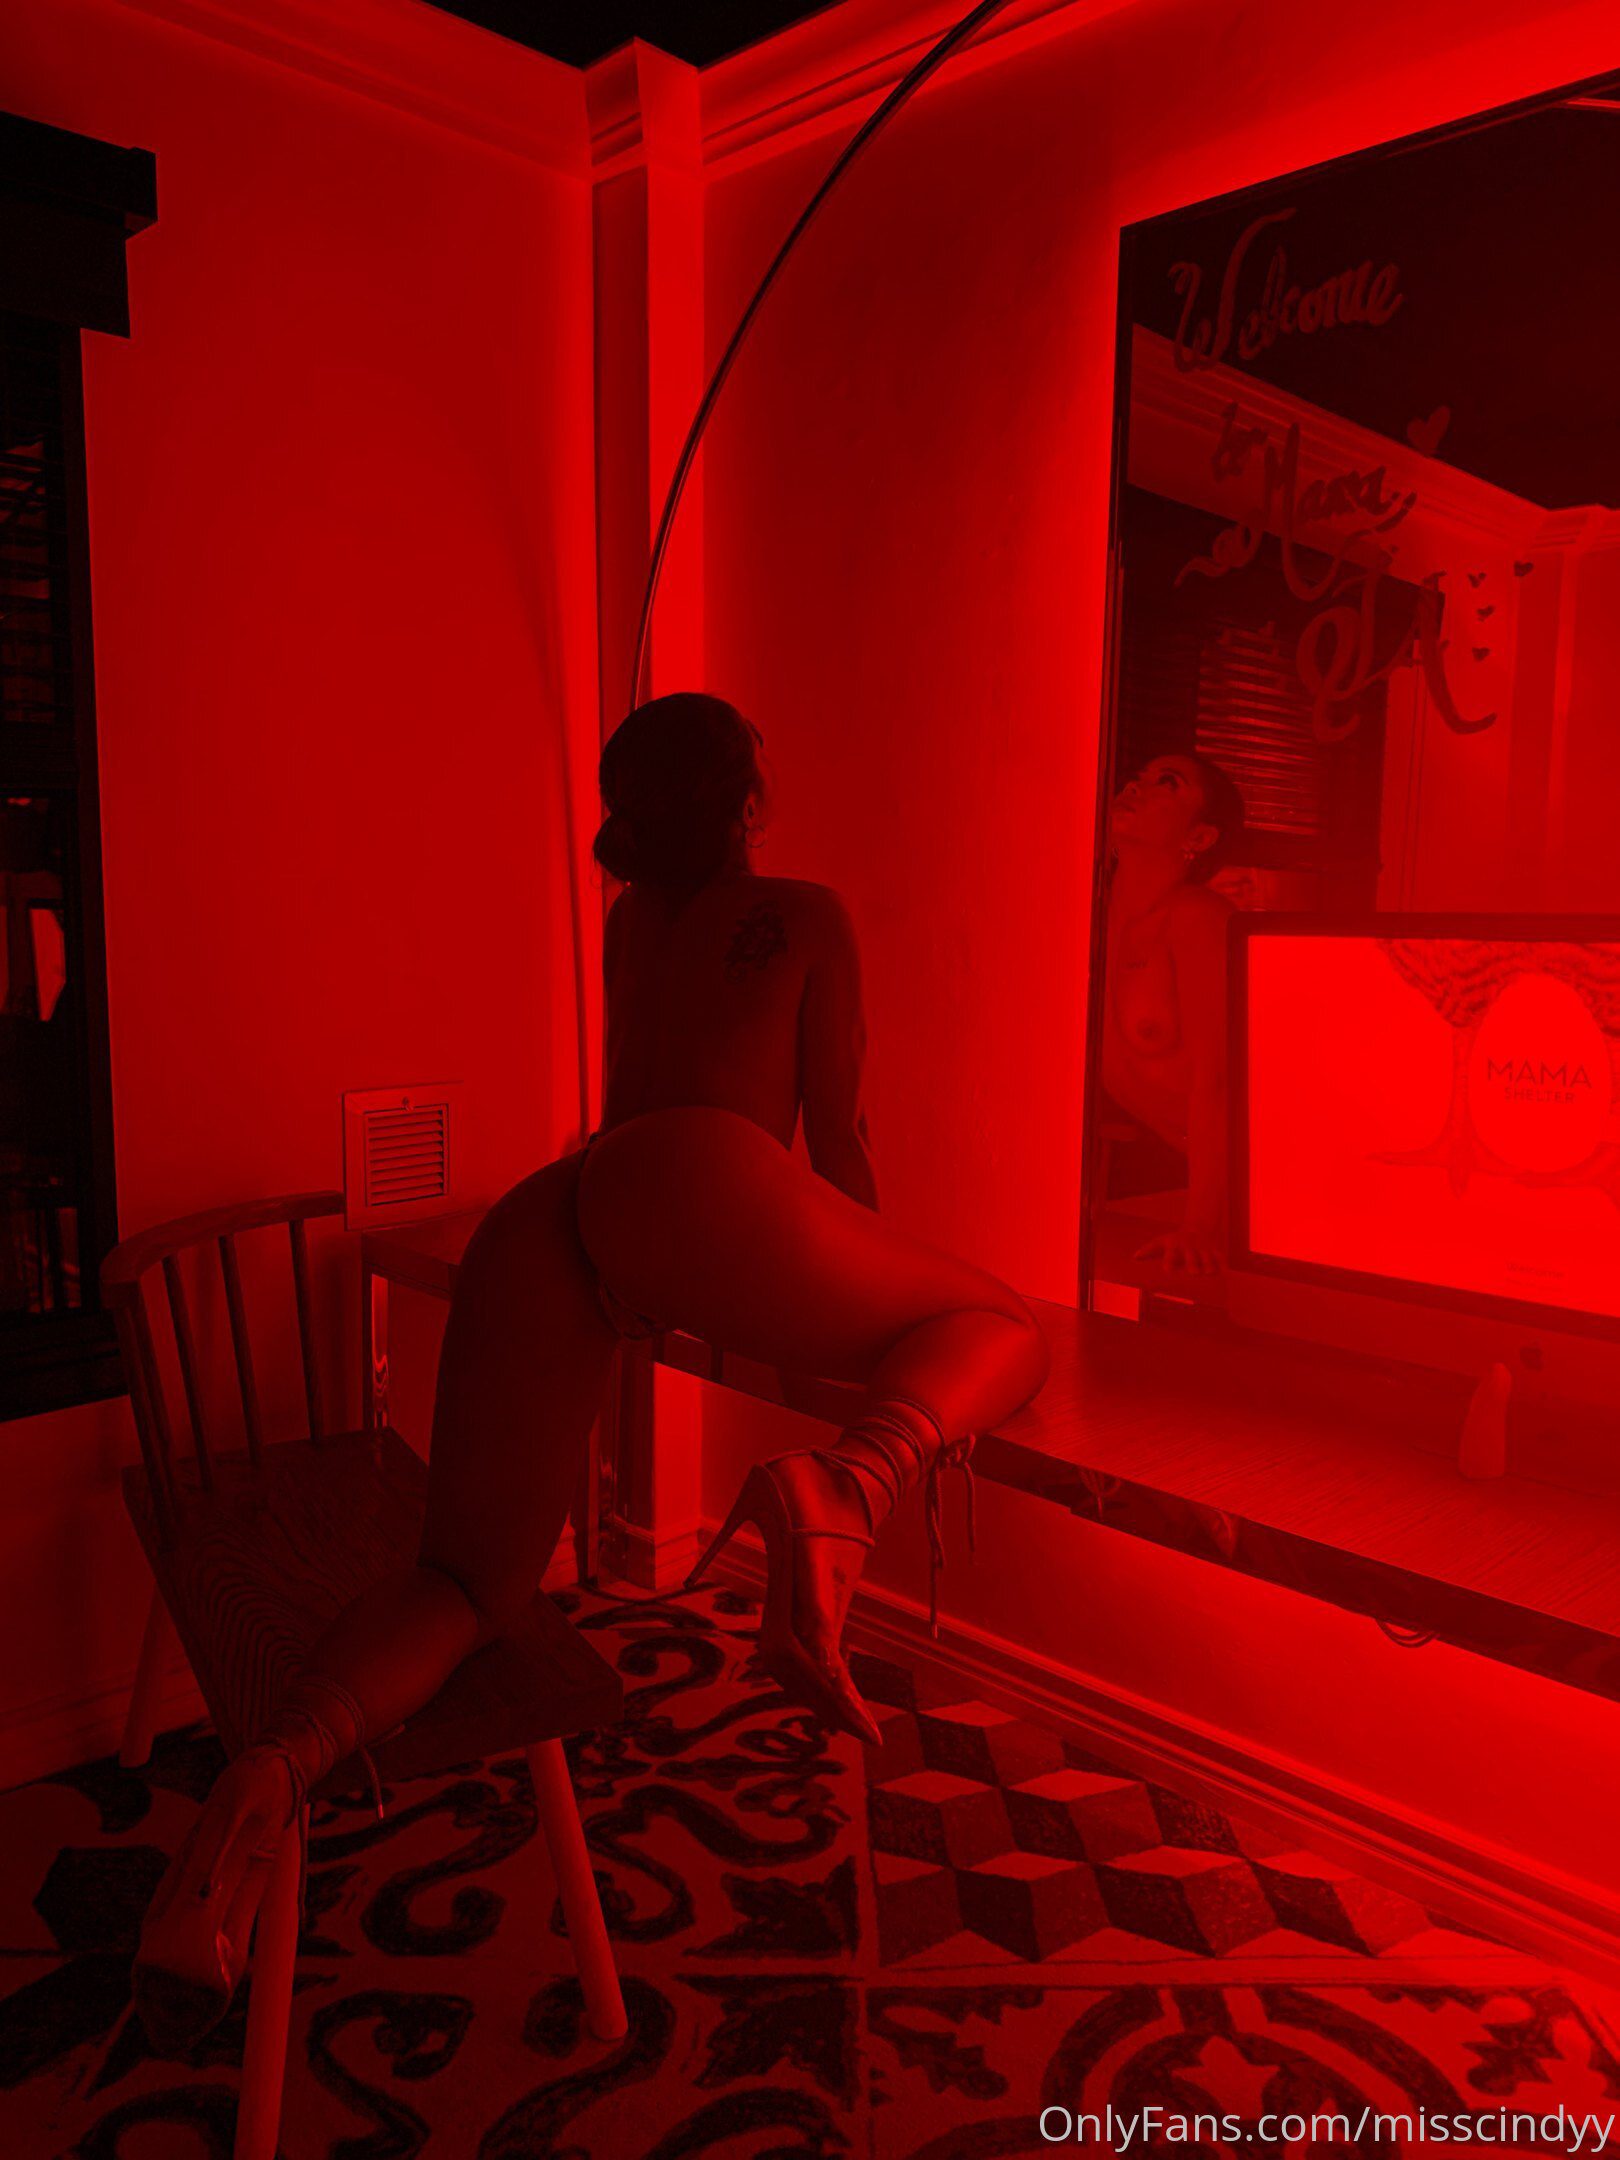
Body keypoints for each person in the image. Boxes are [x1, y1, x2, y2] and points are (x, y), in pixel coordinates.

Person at [133, 692, 1048, 2050]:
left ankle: (270, 1776)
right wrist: (846, 1298)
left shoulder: (632, 923)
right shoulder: (804, 915)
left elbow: (633, 1126)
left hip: (563, 1204)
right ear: (748, 799)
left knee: (466, 1584)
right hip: (701, 1183)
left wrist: (672, 1271)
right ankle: (843, 1491)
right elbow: (836, 1137)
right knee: (1008, 1327)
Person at [1100, 750, 1245, 1274]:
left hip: (1267, 1185)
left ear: (1200, 836)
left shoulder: (1198, 920)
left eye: (1167, 782)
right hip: (1180, 1174)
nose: (1135, 787)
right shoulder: (1088, 920)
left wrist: (1201, 1225)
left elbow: (1219, 1082)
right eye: (1138, 776)